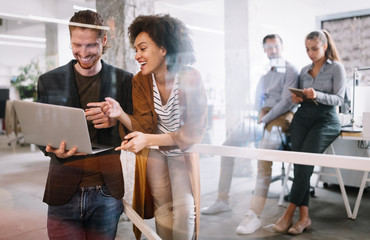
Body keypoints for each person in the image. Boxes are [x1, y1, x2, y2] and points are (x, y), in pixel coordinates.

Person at [93, 14, 207, 240]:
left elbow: (193, 131)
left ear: (163, 49)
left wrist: (150, 140)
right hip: (156, 155)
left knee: (185, 211)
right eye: (135, 50)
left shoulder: (191, 77)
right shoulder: (141, 81)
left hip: (181, 154)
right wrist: (121, 114)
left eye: (142, 48)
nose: (137, 56)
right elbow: (143, 126)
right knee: (162, 209)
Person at [37, 10, 133, 239]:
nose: (83, 52)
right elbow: (40, 132)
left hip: (107, 193)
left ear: (104, 41)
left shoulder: (125, 81)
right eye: (76, 45)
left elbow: (136, 131)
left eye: (90, 45)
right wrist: (50, 148)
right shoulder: (49, 81)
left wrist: (117, 119)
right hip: (63, 190)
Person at [200, 34, 299, 235]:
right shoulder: (265, 74)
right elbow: (257, 101)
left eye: (276, 46)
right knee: (227, 144)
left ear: (282, 47)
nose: (273, 51)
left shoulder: (291, 70)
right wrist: (258, 115)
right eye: (269, 48)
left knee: (264, 155)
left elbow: (286, 102)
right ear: (265, 50)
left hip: (282, 117)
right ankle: (222, 199)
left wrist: (265, 116)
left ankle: (254, 214)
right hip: (262, 116)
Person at [273, 30, 346, 235]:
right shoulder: (304, 71)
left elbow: (339, 100)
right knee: (299, 164)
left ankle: (288, 214)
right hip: (303, 118)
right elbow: (300, 98)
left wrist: (318, 94)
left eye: (314, 48)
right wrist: (298, 99)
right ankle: (304, 218)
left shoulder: (337, 68)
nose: (310, 53)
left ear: (324, 46)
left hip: (325, 120)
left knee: (304, 163)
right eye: (307, 49)